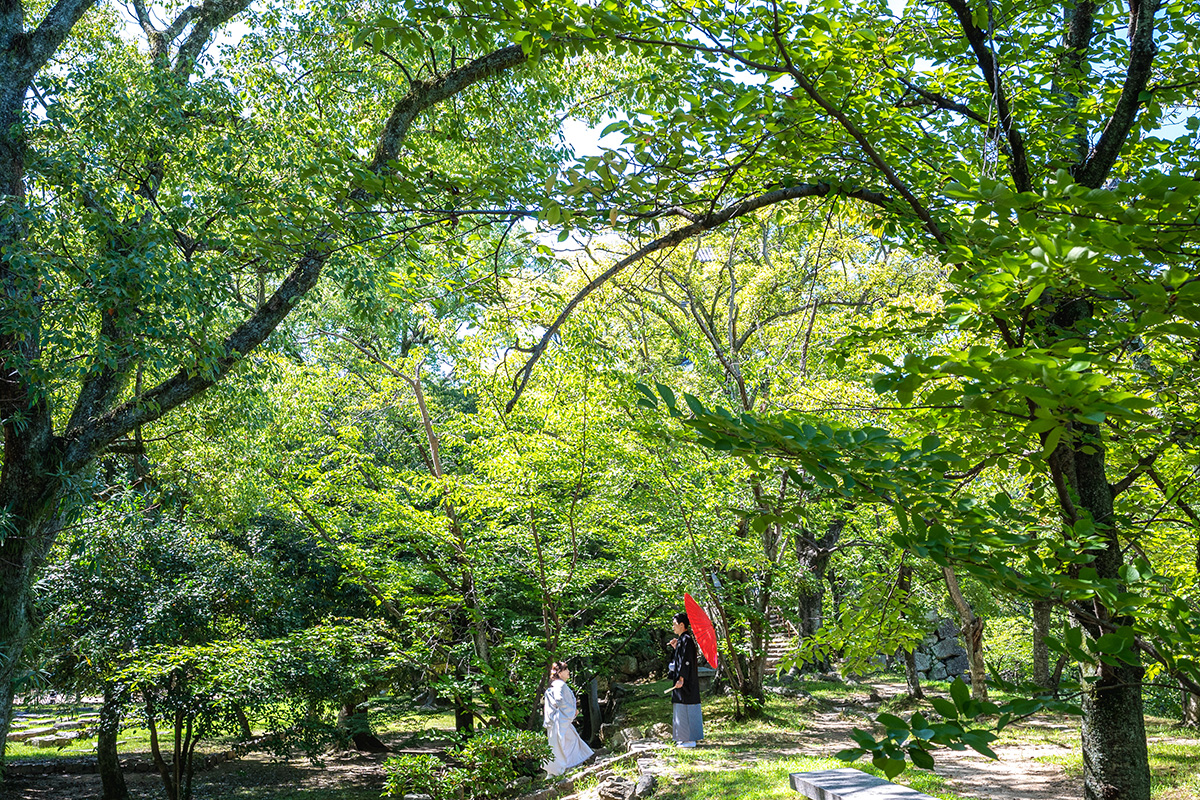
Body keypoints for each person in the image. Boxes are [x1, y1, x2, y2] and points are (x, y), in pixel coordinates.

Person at [542, 661, 594, 776]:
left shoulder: (554, 685)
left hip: (556, 721)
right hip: (560, 721)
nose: (569, 672)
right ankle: (566, 768)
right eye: (566, 670)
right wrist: (571, 711)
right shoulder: (560, 685)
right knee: (569, 743)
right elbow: (560, 700)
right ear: (560, 672)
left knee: (562, 744)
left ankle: (557, 770)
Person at [667, 611, 703, 747]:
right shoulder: (682, 640)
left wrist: (681, 678)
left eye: (675, 624)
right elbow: (680, 658)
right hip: (682, 680)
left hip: (686, 682)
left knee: (687, 706)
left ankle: (690, 739)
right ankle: (683, 737)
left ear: (682, 625)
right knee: (680, 707)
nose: (673, 627)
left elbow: (686, 661)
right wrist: (676, 648)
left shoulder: (687, 639)